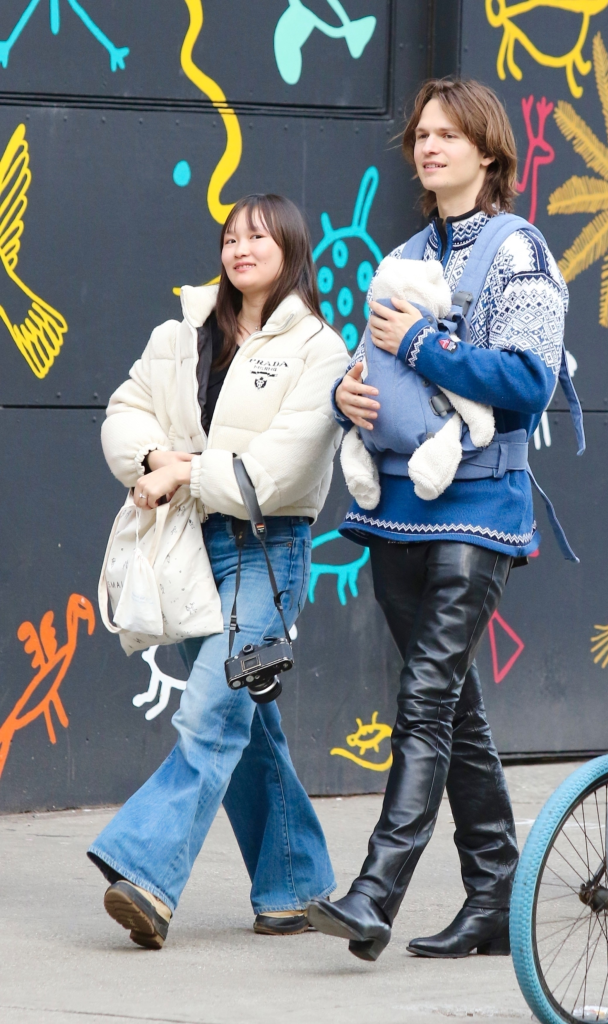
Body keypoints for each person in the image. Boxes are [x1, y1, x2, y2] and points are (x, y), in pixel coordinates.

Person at [307, 77, 574, 961]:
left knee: (424, 697)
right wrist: (351, 394)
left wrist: (419, 344)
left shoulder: (518, 250)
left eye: (449, 135)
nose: (429, 147)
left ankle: (376, 891)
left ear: (488, 153)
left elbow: (529, 380)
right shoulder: (405, 252)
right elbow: (377, 381)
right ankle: (497, 894)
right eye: (422, 134)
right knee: (453, 708)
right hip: (395, 514)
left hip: (479, 511)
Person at [89, 194, 348, 949]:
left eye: (258, 236)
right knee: (246, 719)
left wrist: (186, 472)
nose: (241, 248)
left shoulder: (319, 348)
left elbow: (281, 467)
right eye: (231, 237)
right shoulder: (182, 332)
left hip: (265, 549)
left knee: (211, 712)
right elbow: (126, 408)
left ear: (291, 247)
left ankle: (145, 872)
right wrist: (152, 460)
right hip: (187, 547)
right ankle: (295, 887)